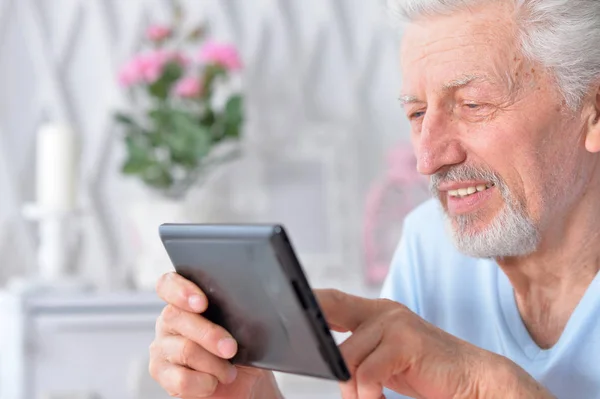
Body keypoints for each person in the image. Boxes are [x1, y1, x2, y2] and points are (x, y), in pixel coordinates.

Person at [148, 0, 600, 397]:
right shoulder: (430, 242)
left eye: (472, 104)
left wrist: (484, 388)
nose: (427, 158)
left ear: (592, 110)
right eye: (417, 113)